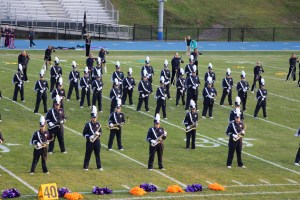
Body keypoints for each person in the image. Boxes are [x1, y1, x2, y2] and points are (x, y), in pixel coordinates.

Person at [82, 106, 103, 171]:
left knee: (97, 154)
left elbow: (101, 132)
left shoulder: (98, 124)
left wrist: (98, 134)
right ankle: (85, 166)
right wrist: (89, 137)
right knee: (88, 154)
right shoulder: (87, 124)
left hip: (97, 141)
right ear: (91, 118)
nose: (94, 119)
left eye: (95, 117)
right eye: (93, 117)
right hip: (89, 142)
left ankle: (99, 166)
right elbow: (84, 133)